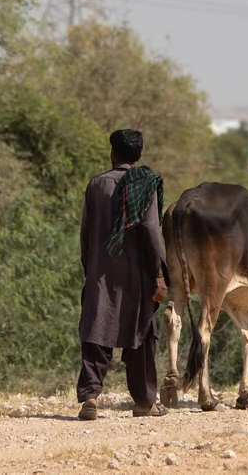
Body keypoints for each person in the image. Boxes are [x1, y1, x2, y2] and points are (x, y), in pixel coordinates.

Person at [77, 128, 169, 419]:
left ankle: (90, 397)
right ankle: (143, 402)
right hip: (137, 276)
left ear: (113, 153)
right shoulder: (145, 184)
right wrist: (158, 274)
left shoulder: (96, 184)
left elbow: (86, 233)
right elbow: (152, 233)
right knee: (141, 333)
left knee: (96, 329)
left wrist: (90, 269)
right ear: (138, 155)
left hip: (101, 272)